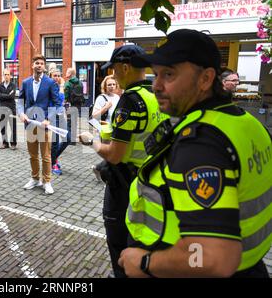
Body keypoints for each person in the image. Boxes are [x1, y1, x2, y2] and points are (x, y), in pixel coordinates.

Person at [119, 29, 272, 278]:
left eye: (169, 74)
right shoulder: (248, 123)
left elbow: (213, 257)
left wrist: (146, 262)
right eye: (155, 74)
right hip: (252, 267)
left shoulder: (200, 143)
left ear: (205, 79)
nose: (156, 85)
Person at [78, 44, 167, 278]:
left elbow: (115, 154)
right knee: (138, 234)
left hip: (124, 181)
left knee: (117, 237)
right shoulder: (154, 94)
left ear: (125, 67)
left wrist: (92, 141)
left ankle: (121, 273)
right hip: (149, 180)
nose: (113, 75)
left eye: (115, 70)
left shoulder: (130, 101)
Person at [18, 54, 61, 195]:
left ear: (44, 66)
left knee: (46, 155)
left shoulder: (50, 83)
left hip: (44, 125)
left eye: (41, 63)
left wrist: (49, 118)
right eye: (37, 63)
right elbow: (20, 101)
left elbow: (57, 103)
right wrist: (21, 113)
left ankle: (47, 181)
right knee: (32, 155)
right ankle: (35, 178)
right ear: (33, 65)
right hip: (30, 124)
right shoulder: (25, 82)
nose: (39, 65)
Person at [50, 69, 70, 175]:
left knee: (68, 138)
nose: (57, 77)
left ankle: (52, 158)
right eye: (54, 75)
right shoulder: (50, 88)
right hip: (53, 116)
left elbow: (62, 103)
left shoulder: (58, 87)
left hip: (61, 116)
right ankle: (53, 163)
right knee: (55, 142)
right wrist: (62, 86)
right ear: (50, 76)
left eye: (58, 75)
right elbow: (59, 100)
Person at [0, 69, 17, 150]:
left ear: (10, 76)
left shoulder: (13, 85)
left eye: (8, 74)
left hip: (11, 109)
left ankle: (13, 144)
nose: (6, 76)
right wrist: (7, 95)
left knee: (13, 127)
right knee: (3, 126)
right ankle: (5, 143)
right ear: (3, 75)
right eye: (5, 74)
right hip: (2, 109)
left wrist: (3, 96)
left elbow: (12, 96)